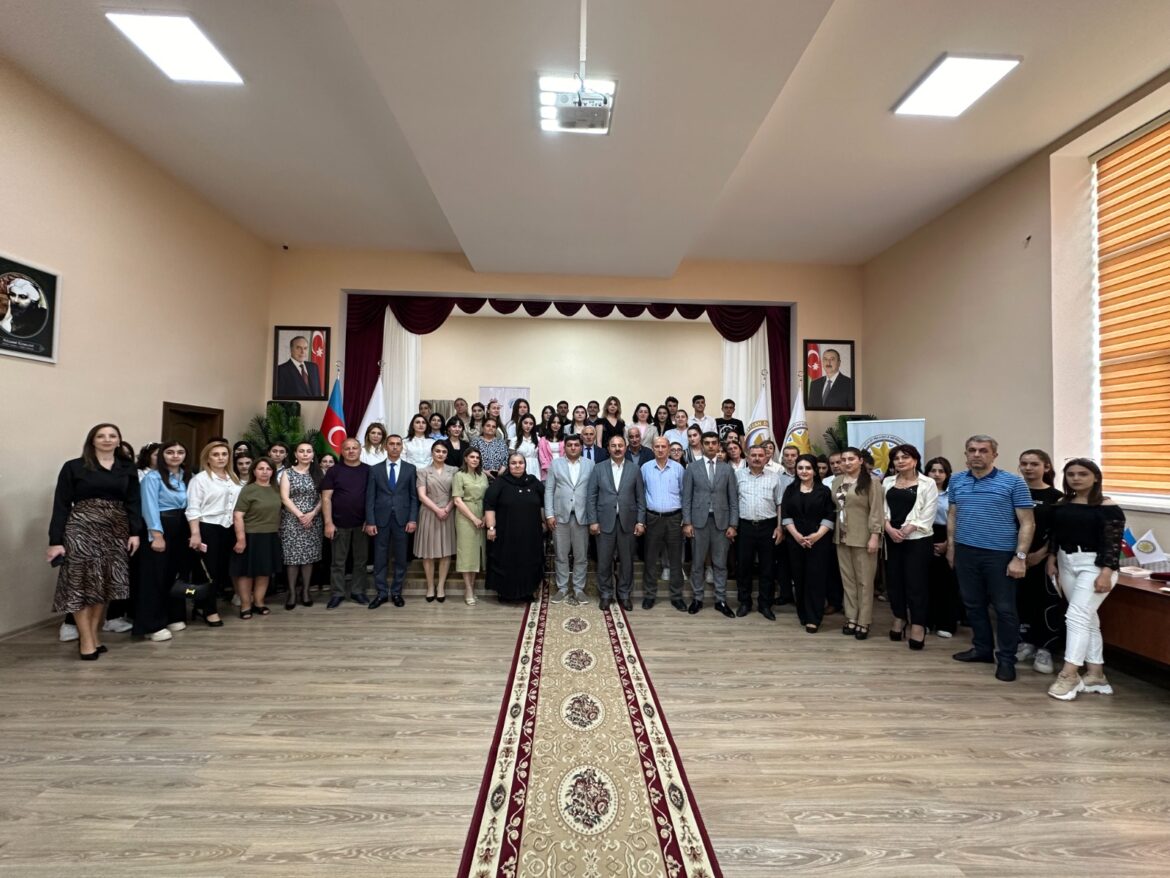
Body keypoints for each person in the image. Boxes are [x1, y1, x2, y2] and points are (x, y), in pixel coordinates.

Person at [47, 423, 142, 659]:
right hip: (81, 530)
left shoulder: (127, 468)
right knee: (80, 584)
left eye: (112, 436)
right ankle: (87, 640)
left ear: (119, 441)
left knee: (105, 583)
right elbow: (61, 505)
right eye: (101, 436)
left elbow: (134, 502)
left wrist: (135, 532)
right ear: (92, 440)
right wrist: (55, 540)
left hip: (116, 530)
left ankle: (93, 635)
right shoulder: (74, 467)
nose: (107, 439)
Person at [946, 435, 1035, 682]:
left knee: (1004, 609)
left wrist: (1020, 557)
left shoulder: (1013, 482)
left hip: (999, 554)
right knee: (973, 604)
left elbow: (1028, 523)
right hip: (966, 551)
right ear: (966, 454)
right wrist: (952, 547)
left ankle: (1006, 659)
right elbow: (953, 515)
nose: (977, 454)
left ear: (994, 455)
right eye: (972, 450)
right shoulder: (956, 480)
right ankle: (982, 649)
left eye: (983, 450)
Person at [1045, 458, 1126, 701]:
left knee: (1076, 617)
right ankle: (1096, 674)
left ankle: (1069, 674)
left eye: (1082, 474)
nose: (1076, 478)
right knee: (1087, 619)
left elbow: (1113, 544)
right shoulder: (1063, 504)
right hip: (1066, 561)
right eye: (1071, 474)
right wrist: (1052, 559)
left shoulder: (1108, 507)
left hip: (1095, 565)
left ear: (1095, 477)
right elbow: (1056, 535)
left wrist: (1106, 573)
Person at [136, 440, 197, 640]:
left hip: (182, 527)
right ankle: (152, 625)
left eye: (180, 452)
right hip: (161, 526)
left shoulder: (188, 477)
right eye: (170, 452)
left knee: (176, 574)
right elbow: (149, 507)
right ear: (162, 455)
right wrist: (157, 535)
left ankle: (174, 615)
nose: (175, 456)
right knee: (155, 577)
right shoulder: (152, 478)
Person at [882, 444, 939, 650]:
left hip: (917, 540)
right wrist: (889, 529)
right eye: (896, 458)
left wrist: (906, 531)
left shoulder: (928, 483)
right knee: (894, 582)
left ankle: (918, 624)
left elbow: (928, 512)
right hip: (891, 538)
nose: (900, 461)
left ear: (915, 460)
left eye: (905, 457)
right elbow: (881, 509)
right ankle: (899, 617)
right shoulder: (887, 481)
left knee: (916, 584)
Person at [1016, 449, 1065, 675]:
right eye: (1024, 463)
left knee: (1045, 602)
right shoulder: (1014, 491)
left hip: (1044, 560)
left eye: (1034, 464)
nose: (1028, 468)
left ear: (1046, 467)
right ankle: (1025, 642)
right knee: (1020, 601)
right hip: (1017, 558)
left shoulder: (1057, 497)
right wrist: (1019, 555)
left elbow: (1058, 531)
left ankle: (1045, 649)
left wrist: (1042, 554)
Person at [682, 432, 738, 617]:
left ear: (719, 445)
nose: (711, 446)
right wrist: (687, 522)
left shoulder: (727, 469)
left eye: (714, 443)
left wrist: (733, 524)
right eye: (707, 443)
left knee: (720, 564)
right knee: (697, 563)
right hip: (698, 522)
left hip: (721, 523)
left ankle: (721, 600)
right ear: (702, 445)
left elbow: (733, 499)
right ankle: (697, 599)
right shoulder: (692, 468)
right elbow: (686, 498)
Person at [586, 435, 646, 611]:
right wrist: (593, 521)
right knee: (604, 561)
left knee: (627, 562)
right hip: (604, 522)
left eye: (620, 445)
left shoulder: (635, 469)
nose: (617, 448)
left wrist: (641, 521)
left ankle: (625, 594)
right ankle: (605, 594)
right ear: (608, 448)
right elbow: (591, 497)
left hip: (628, 522)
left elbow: (640, 498)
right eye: (614, 446)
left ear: (625, 447)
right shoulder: (598, 468)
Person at [185, 441, 239, 630]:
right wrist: (195, 533)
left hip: (228, 527)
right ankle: (208, 609)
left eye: (224, 454)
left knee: (222, 571)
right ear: (207, 458)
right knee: (208, 572)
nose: (221, 458)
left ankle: (202, 604)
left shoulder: (232, 477)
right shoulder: (200, 479)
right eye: (216, 454)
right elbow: (193, 508)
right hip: (208, 527)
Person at [832, 447, 884, 640]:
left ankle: (864, 620)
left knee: (865, 581)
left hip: (864, 537)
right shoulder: (837, 481)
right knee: (848, 580)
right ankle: (851, 617)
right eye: (843, 459)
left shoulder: (872, 482)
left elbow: (876, 511)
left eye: (851, 459)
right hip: (842, 536)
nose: (847, 463)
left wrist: (875, 536)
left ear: (860, 461)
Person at [782, 453, 836, 633]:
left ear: (814, 471)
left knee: (816, 579)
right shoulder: (790, 490)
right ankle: (803, 613)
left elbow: (830, 515)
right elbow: (786, 515)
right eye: (800, 468)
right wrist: (797, 536)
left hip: (819, 541)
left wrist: (816, 535)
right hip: (795, 541)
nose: (804, 471)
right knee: (799, 578)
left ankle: (814, 618)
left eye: (808, 468)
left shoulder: (824, 491)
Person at [364, 434, 418, 608]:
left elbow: (413, 497)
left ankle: (396, 592)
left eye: (398, 444)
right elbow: (370, 498)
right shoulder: (375, 469)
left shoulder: (410, 469)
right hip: (380, 520)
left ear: (402, 447)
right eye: (391, 444)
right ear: (385, 447)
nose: (395, 447)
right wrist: (370, 521)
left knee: (401, 558)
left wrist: (412, 519)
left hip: (402, 519)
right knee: (380, 558)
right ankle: (381, 593)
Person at [484, 452, 546, 603]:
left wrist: (544, 522)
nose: (517, 466)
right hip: (506, 533)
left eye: (520, 462)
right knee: (507, 561)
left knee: (529, 562)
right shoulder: (500, 483)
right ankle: (505, 594)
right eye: (513, 463)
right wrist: (491, 527)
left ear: (525, 465)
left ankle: (527, 592)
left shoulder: (533, 482)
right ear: (508, 465)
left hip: (530, 533)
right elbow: (489, 505)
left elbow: (543, 503)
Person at [544, 433, 595, 605]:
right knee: (561, 555)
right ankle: (563, 588)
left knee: (581, 556)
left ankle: (579, 589)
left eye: (576, 445)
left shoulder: (590, 464)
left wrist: (593, 517)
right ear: (564, 447)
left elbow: (593, 492)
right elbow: (549, 490)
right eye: (569, 445)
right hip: (560, 517)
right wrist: (549, 514)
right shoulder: (556, 464)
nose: (573, 448)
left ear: (581, 447)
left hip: (582, 517)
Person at [321, 437, 370, 608]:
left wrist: (369, 520)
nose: (351, 451)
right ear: (341, 451)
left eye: (354, 448)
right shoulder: (333, 471)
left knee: (361, 561)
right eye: (347, 448)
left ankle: (358, 591)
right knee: (338, 562)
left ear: (360, 450)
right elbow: (326, 498)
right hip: (338, 524)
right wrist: (328, 523)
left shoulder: (368, 470)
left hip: (362, 525)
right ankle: (337, 593)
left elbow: (373, 497)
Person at [734, 445, 783, 620]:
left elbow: (779, 503)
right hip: (745, 526)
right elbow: (733, 501)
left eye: (760, 455)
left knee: (767, 567)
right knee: (744, 566)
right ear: (747, 457)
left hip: (768, 527)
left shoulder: (775, 477)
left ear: (766, 458)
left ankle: (765, 604)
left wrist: (779, 527)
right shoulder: (738, 475)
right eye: (753, 455)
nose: (756, 458)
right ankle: (744, 602)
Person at [230, 457, 282, 617]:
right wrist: (241, 539)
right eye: (261, 468)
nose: (265, 472)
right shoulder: (248, 489)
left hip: (270, 535)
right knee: (246, 573)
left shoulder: (276, 489)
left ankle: (259, 602)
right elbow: (238, 515)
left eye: (268, 469)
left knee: (264, 572)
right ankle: (245, 605)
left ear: (273, 471)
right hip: (250, 536)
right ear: (254, 471)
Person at [641, 436, 686, 611]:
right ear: (652, 448)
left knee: (675, 559)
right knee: (650, 559)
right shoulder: (645, 468)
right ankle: (649, 595)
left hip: (674, 518)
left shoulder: (678, 468)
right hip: (652, 518)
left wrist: (685, 519)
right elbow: (641, 495)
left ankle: (677, 596)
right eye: (657, 446)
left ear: (668, 449)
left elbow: (684, 494)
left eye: (663, 446)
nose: (660, 449)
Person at [279, 441, 324, 610]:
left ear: (313, 455)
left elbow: (324, 498)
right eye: (302, 451)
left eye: (308, 451)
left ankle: (305, 591)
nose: (305, 454)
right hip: (292, 521)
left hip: (313, 520)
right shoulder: (287, 473)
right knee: (292, 559)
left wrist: (312, 514)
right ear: (296, 455)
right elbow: (285, 498)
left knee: (308, 558)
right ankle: (291, 593)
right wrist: (300, 515)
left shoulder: (319, 473)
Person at [415, 442, 458, 602]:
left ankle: (440, 586)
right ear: (432, 453)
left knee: (445, 551)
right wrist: (437, 510)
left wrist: (447, 509)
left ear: (447, 454)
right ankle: (430, 586)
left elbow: (456, 493)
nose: (440, 454)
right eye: (437, 451)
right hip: (429, 512)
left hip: (448, 512)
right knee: (428, 552)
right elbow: (422, 495)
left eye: (444, 451)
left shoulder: (454, 470)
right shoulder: (423, 471)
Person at [924, 457, 961, 638]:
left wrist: (948, 543)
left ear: (947, 474)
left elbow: (958, 519)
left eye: (941, 471)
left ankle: (946, 623)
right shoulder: (921, 490)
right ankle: (925, 621)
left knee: (947, 583)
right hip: (924, 536)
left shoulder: (953, 493)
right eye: (933, 470)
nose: (937, 474)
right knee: (925, 582)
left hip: (948, 536)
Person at [452, 447, 489, 606]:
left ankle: (473, 587)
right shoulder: (459, 475)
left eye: (477, 457)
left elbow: (488, 497)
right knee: (466, 553)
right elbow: (457, 500)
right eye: (472, 457)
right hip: (465, 515)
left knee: (476, 553)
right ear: (465, 459)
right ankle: (468, 589)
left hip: (481, 513)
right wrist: (473, 518)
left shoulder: (482, 475)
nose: (475, 460)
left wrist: (485, 516)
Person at [511, 413, 541, 478]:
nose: (528, 426)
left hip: (535, 468)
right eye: (525, 423)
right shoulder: (514, 440)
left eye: (531, 424)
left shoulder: (538, 439)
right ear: (521, 423)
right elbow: (511, 459)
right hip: (520, 468)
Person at [536, 415, 565, 480]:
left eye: (558, 423)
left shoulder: (565, 439)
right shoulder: (543, 439)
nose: (556, 425)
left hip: (562, 472)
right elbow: (542, 457)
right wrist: (550, 470)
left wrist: (561, 470)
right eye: (553, 422)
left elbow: (566, 455)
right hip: (547, 473)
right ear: (549, 424)